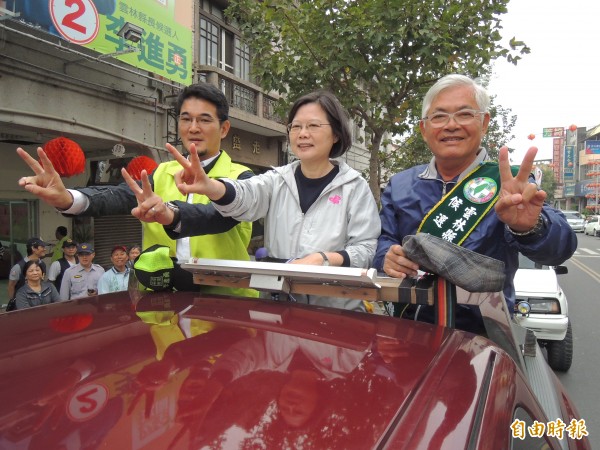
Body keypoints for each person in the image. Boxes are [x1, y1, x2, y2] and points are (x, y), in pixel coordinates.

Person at [133, 90, 380, 311]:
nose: (303, 134)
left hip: (337, 310)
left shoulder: (354, 187)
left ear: (336, 134)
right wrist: (211, 187)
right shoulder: (276, 180)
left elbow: (366, 248)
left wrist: (325, 259)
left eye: (313, 126)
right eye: (295, 127)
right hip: (280, 308)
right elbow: (245, 196)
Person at [374, 74, 577, 328]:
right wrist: (386, 257)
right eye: (439, 116)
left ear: (484, 123)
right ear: (424, 130)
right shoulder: (400, 184)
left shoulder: (509, 184)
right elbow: (382, 240)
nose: (451, 125)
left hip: (484, 341)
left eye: (464, 114)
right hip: (409, 332)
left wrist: (530, 228)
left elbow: (560, 249)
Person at [16, 83, 256, 297]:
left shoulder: (241, 179)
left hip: (226, 303)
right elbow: (121, 195)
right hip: (162, 305)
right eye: (185, 119)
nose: (193, 128)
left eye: (204, 120)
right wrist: (68, 198)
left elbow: (217, 216)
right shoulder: (162, 172)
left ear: (224, 129)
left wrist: (171, 214)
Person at [7, 237, 49, 301]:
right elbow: (11, 286)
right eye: (42, 247)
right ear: (33, 248)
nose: (45, 249)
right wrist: (13, 301)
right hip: (22, 303)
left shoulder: (42, 264)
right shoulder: (18, 267)